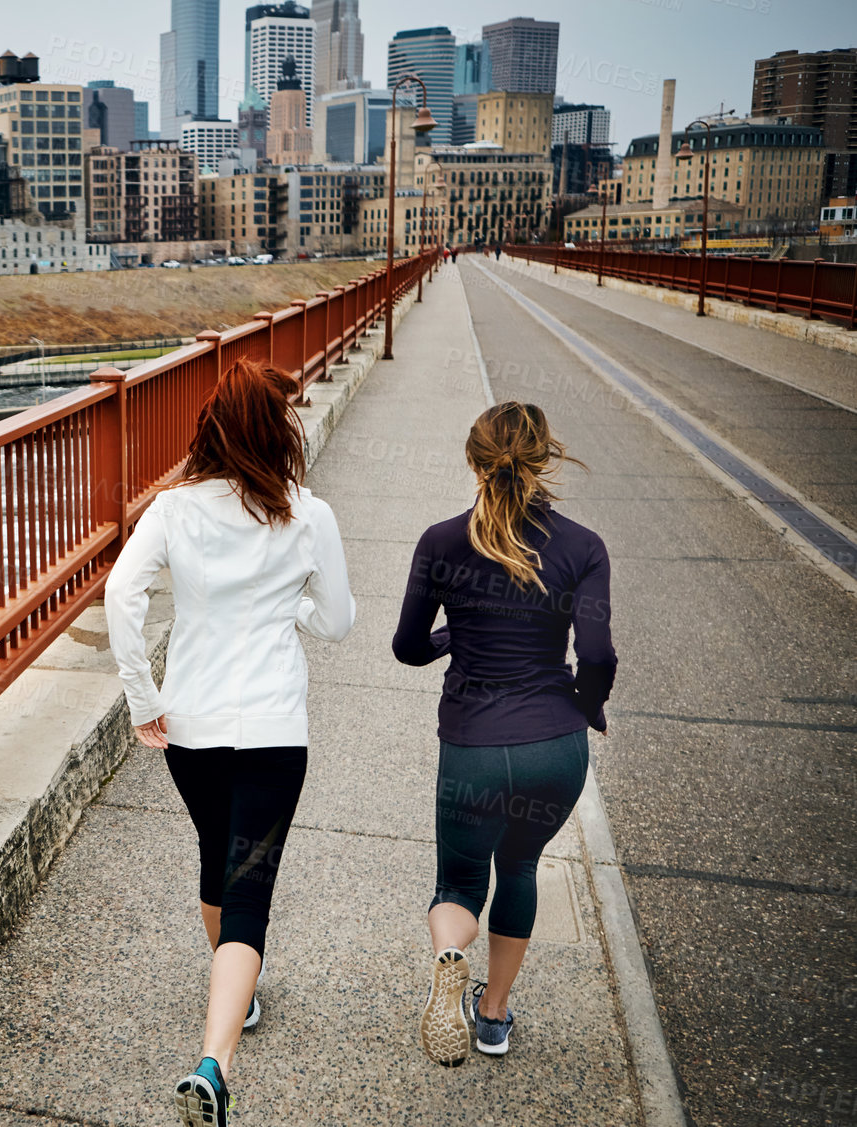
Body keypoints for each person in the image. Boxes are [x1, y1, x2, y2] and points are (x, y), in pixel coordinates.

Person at [107, 359, 355, 1127]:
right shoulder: (308, 514)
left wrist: (142, 700)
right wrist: (289, 611)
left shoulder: (172, 509)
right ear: (278, 433)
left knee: (216, 857)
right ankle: (214, 1061)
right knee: (250, 885)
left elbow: (122, 595)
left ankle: (233, 999)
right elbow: (338, 619)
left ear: (209, 430)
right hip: (273, 731)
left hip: (193, 726)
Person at [392, 402, 616, 1066]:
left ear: (473, 460)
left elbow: (406, 647)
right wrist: (586, 704)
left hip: (472, 748)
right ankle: (492, 1017)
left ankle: (448, 955)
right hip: (554, 744)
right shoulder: (582, 546)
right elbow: (598, 655)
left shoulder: (440, 540)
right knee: (517, 865)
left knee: (459, 882)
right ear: (544, 457)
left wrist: (450, 635)